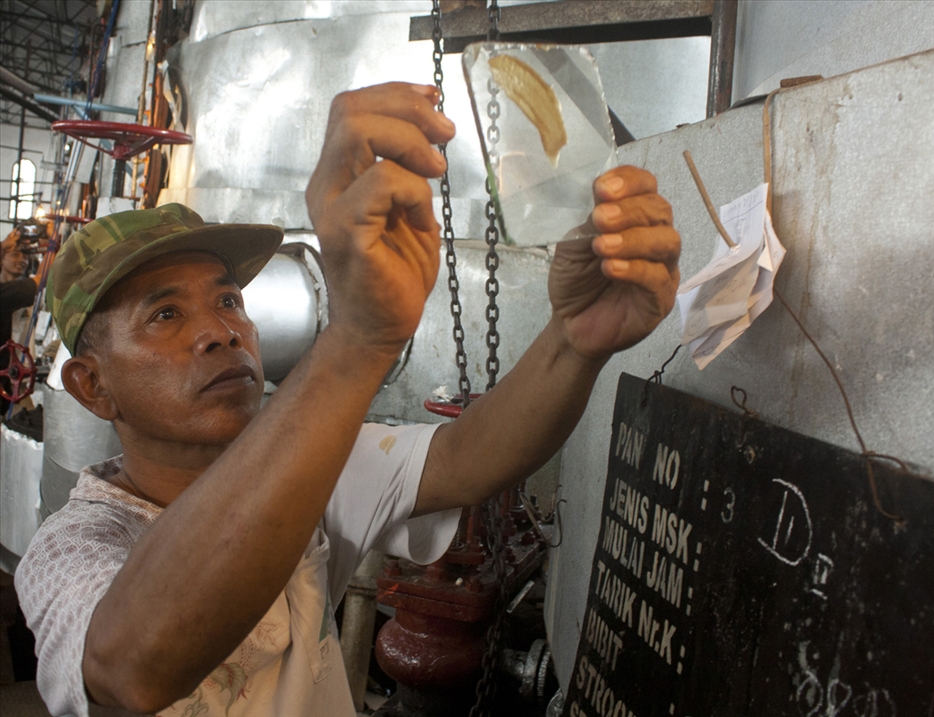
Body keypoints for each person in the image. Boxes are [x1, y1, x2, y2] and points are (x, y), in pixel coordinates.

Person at [15, 82, 680, 716]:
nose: (220, 332)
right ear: (93, 386)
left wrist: (573, 339)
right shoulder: (69, 550)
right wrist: (359, 336)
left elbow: (471, 454)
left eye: (227, 300)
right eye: (165, 315)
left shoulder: (310, 463)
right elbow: (133, 664)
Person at [0, 228, 39, 413]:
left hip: (20, 377)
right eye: (14, 254)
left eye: (25, 257)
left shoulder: (23, 293)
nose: (21, 260)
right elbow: (42, 278)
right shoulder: (11, 292)